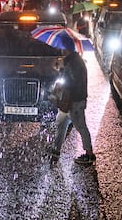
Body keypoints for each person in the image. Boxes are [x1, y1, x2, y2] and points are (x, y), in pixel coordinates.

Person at [51, 36, 96, 165]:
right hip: (69, 100)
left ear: (67, 48)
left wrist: (62, 83)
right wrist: (61, 70)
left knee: (80, 126)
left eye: (63, 47)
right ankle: (56, 150)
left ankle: (89, 154)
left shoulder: (74, 62)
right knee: (60, 123)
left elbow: (73, 81)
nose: (61, 50)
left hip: (75, 101)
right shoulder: (71, 61)